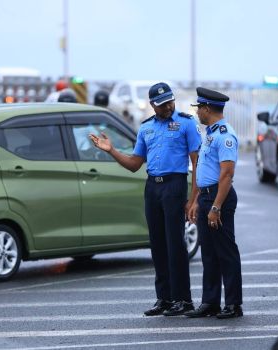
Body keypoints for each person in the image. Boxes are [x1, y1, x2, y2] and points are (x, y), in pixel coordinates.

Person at [89, 82, 202, 316]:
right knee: (158, 244)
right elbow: (134, 165)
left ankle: (183, 299)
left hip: (175, 184)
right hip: (153, 187)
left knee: (176, 244)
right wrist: (110, 150)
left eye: (170, 101)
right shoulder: (146, 128)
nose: (168, 106)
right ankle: (164, 298)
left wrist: (194, 199)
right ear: (152, 105)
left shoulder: (186, 123)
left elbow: (196, 162)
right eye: (162, 104)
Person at [184, 87, 244, 319]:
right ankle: (210, 302)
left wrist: (215, 207)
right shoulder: (210, 133)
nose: (198, 112)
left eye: (199, 108)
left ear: (207, 108)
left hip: (220, 198)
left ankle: (233, 304)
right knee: (208, 254)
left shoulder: (225, 136)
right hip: (207, 196)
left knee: (226, 253)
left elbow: (226, 175)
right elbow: (206, 171)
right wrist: (199, 200)